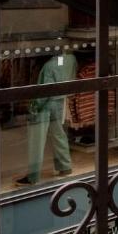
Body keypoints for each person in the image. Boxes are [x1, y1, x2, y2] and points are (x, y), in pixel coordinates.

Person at [15, 50, 76, 186]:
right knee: (59, 134)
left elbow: (45, 91)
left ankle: (33, 176)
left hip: (46, 104)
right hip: (60, 101)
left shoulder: (48, 66)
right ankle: (65, 166)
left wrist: (34, 106)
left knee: (37, 139)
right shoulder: (71, 59)